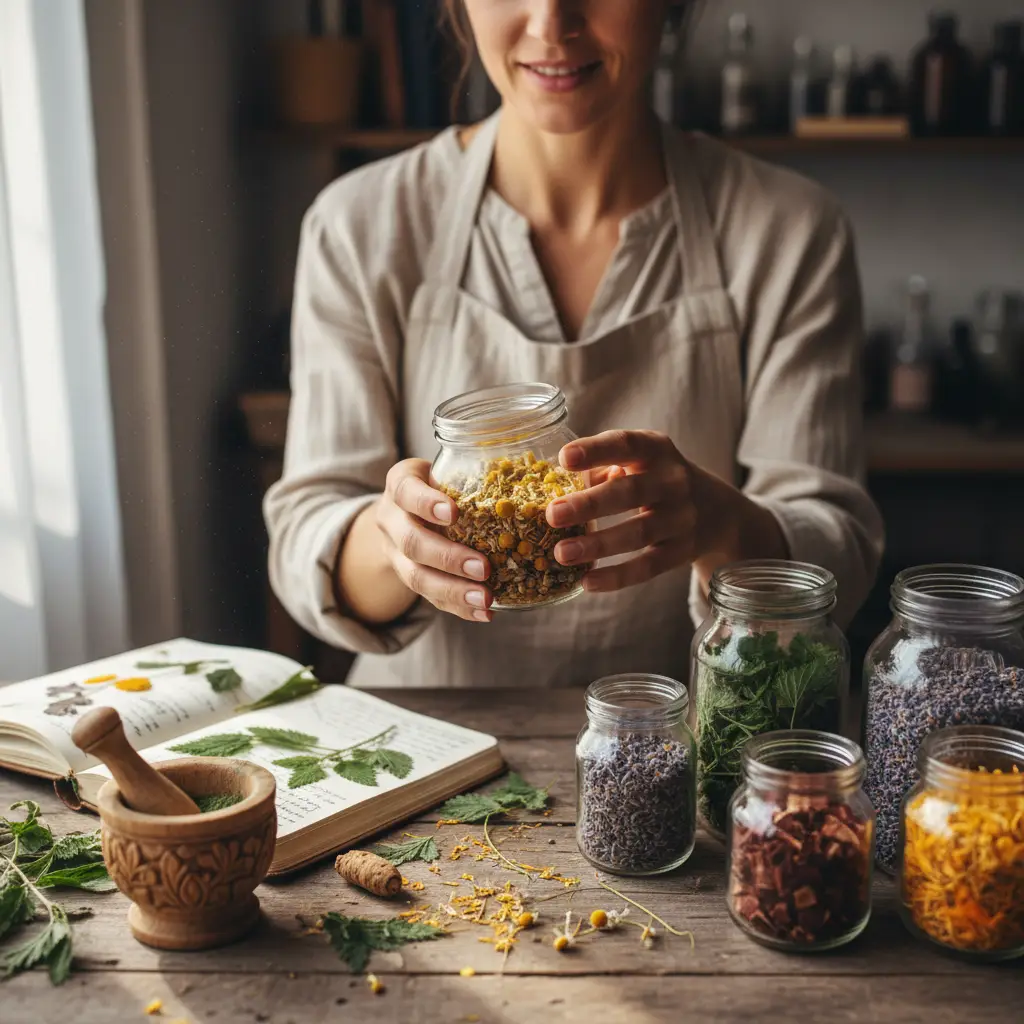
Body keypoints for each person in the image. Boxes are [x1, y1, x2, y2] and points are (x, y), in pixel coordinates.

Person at [264, 0, 884, 689]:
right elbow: (305, 537)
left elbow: (839, 547)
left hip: (681, 729)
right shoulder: (360, 223)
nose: (551, 24)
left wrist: (723, 527)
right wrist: (395, 541)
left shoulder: (789, 230)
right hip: (425, 734)